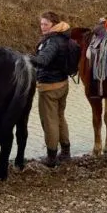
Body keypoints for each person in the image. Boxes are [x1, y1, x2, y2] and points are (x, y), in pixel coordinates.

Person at [31, 10, 72, 167]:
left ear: (53, 25)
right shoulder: (64, 37)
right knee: (60, 117)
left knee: (50, 121)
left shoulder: (53, 41)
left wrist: (25, 58)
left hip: (49, 87)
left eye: (46, 24)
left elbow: (43, 60)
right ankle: (66, 152)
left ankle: (51, 157)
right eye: (41, 24)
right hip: (63, 83)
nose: (42, 27)